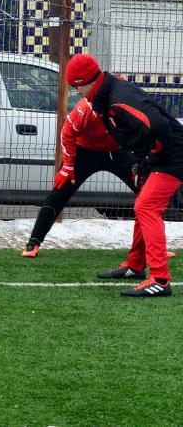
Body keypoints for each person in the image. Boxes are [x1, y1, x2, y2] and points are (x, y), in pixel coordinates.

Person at [65, 54, 183, 297]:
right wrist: (144, 160)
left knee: (146, 207)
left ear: (86, 81)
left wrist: (153, 155)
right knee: (143, 204)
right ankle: (136, 266)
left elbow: (157, 125)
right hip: (164, 151)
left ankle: (160, 279)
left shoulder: (117, 99)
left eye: (76, 86)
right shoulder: (107, 94)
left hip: (174, 152)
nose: (76, 92)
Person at [21, 96, 138, 257]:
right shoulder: (86, 107)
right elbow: (67, 133)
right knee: (59, 193)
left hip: (117, 151)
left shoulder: (129, 106)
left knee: (147, 192)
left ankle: (153, 245)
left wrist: (141, 158)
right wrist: (68, 166)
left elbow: (142, 134)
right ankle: (33, 242)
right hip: (85, 151)